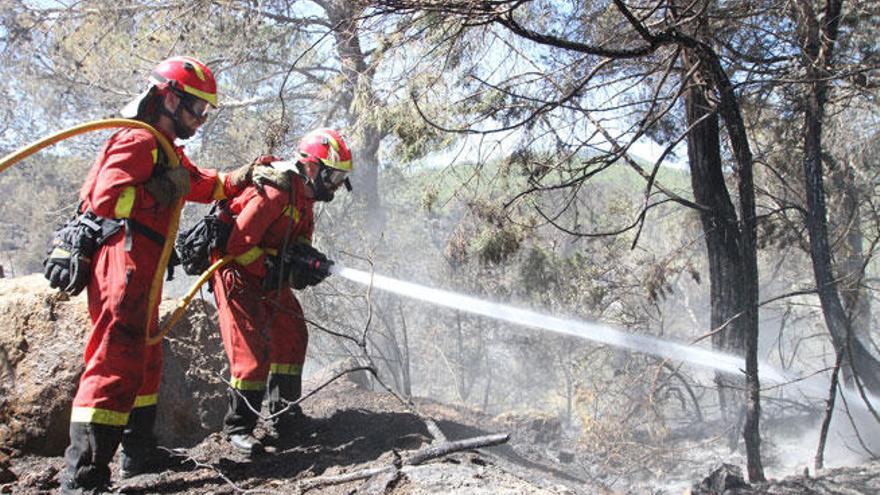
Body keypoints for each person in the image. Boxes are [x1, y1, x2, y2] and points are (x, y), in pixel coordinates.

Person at [58, 56, 280, 493]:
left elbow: (202, 184)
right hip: (122, 262)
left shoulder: (164, 149)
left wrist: (244, 175)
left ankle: (137, 453)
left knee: (146, 358)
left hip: (144, 268)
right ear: (168, 97)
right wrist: (161, 190)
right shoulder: (139, 141)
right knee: (114, 362)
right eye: (195, 109)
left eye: (204, 113)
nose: (199, 121)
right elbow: (106, 203)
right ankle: (82, 478)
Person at [210, 128, 352, 455]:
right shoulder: (275, 190)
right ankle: (238, 429)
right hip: (236, 272)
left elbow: (299, 236)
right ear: (313, 167)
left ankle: (284, 416)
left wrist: (306, 260)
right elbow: (238, 245)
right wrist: (277, 270)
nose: (336, 185)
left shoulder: (305, 197)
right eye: (334, 176)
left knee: (292, 334)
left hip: (265, 273)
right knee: (252, 351)